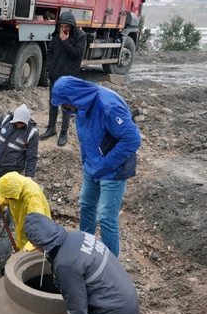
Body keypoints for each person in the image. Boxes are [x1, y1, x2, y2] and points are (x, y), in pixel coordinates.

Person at [23, 212, 140, 314]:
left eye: (34, 244)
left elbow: (77, 307)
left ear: (39, 244)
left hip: (116, 309)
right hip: (122, 292)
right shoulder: (78, 236)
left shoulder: (65, 264)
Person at [50, 76, 141, 257]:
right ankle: (85, 247)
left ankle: (110, 265)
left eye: (66, 105)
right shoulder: (82, 105)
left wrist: (105, 165)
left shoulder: (108, 106)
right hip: (92, 165)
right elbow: (87, 136)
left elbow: (132, 140)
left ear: (74, 98)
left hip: (114, 169)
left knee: (106, 217)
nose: (65, 109)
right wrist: (87, 161)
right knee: (86, 204)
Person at [43, 11, 86, 147]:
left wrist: (66, 41)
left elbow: (77, 54)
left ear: (72, 26)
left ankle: (64, 133)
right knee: (53, 103)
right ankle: (51, 128)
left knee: (66, 106)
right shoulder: (56, 35)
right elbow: (49, 51)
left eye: (66, 26)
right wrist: (50, 67)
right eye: (62, 26)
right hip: (55, 75)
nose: (64, 29)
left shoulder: (80, 36)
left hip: (69, 78)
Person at [0, 171, 51, 252]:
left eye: (9, 198)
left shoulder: (32, 196)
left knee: (34, 254)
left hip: (37, 232)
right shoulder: (13, 185)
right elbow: (5, 195)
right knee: (22, 241)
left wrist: (32, 244)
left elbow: (39, 223)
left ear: (16, 193)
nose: (8, 199)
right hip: (22, 223)